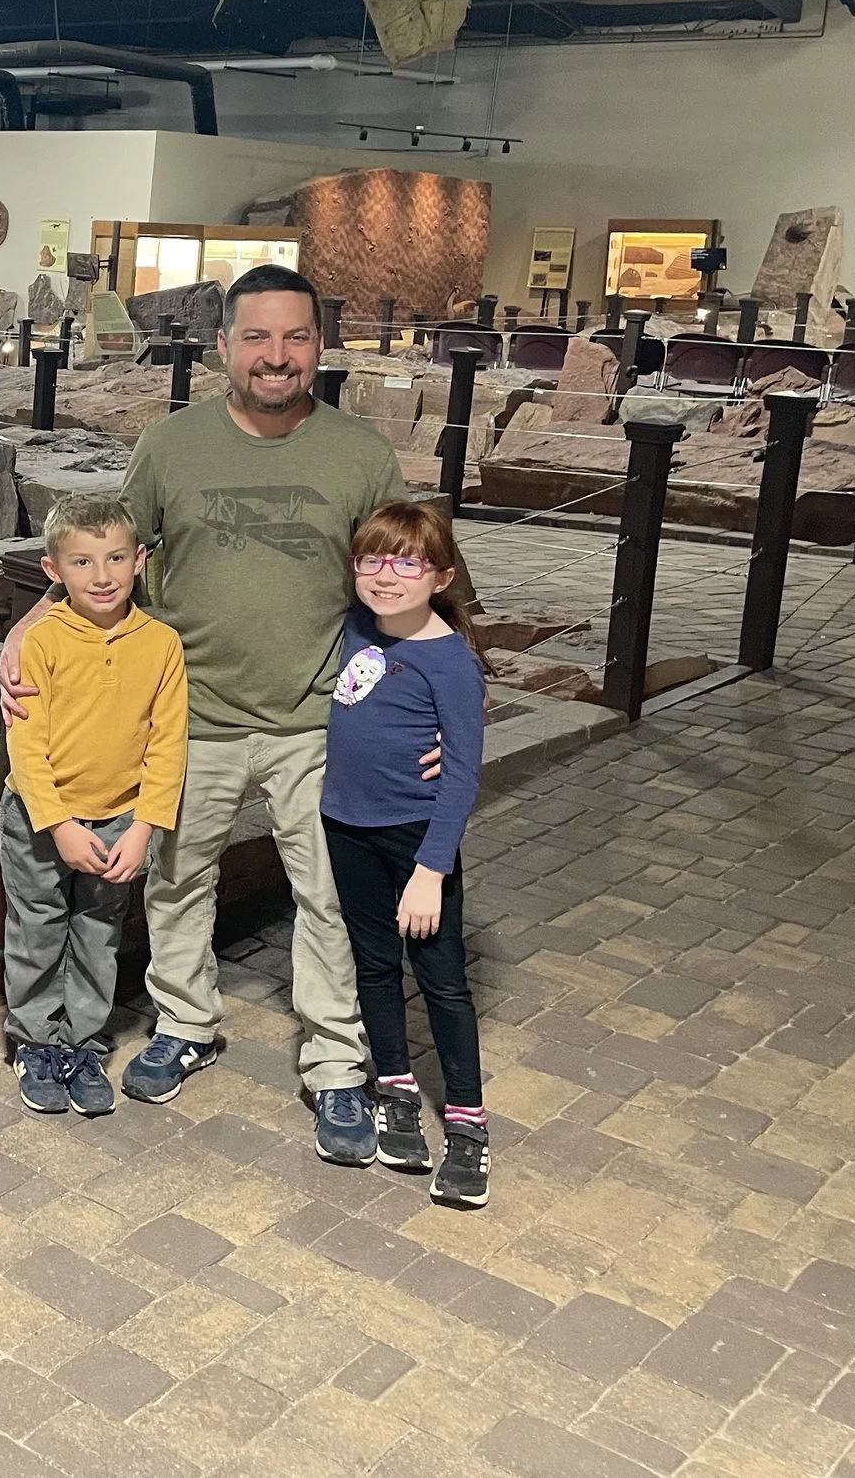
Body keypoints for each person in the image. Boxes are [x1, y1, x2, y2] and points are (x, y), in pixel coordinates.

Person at [0, 264, 409, 1164]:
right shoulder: (171, 445)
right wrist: (23, 631)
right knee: (177, 882)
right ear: (224, 346)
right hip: (194, 715)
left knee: (328, 896)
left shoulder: (361, 455)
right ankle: (186, 1020)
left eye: (295, 337)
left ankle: (338, 1063)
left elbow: (402, 585)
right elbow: (103, 556)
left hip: (317, 716)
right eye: (255, 337)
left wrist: (427, 711)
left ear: (318, 346)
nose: (276, 356)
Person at [322, 499, 491, 1208]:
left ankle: (467, 1119)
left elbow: (461, 774)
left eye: (407, 563)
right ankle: (392, 1083)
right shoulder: (360, 625)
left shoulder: (451, 662)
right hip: (345, 825)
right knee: (374, 962)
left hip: (414, 838)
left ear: (442, 575)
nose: (386, 575)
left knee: (443, 979)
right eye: (372, 559)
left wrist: (431, 868)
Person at [0, 494, 188, 1117]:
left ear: (139, 561)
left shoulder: (161, 644)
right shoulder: (40, 642)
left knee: (99, 934)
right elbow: (26, 744)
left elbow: (168, 743)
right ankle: (34, 1040)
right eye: (82, 562)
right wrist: (57, 823)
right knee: (37, 929)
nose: (101, 576)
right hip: (39, 820)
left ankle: (81, 1040)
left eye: (114, 559)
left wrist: (145, 829)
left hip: (120, 819)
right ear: (54, 572)